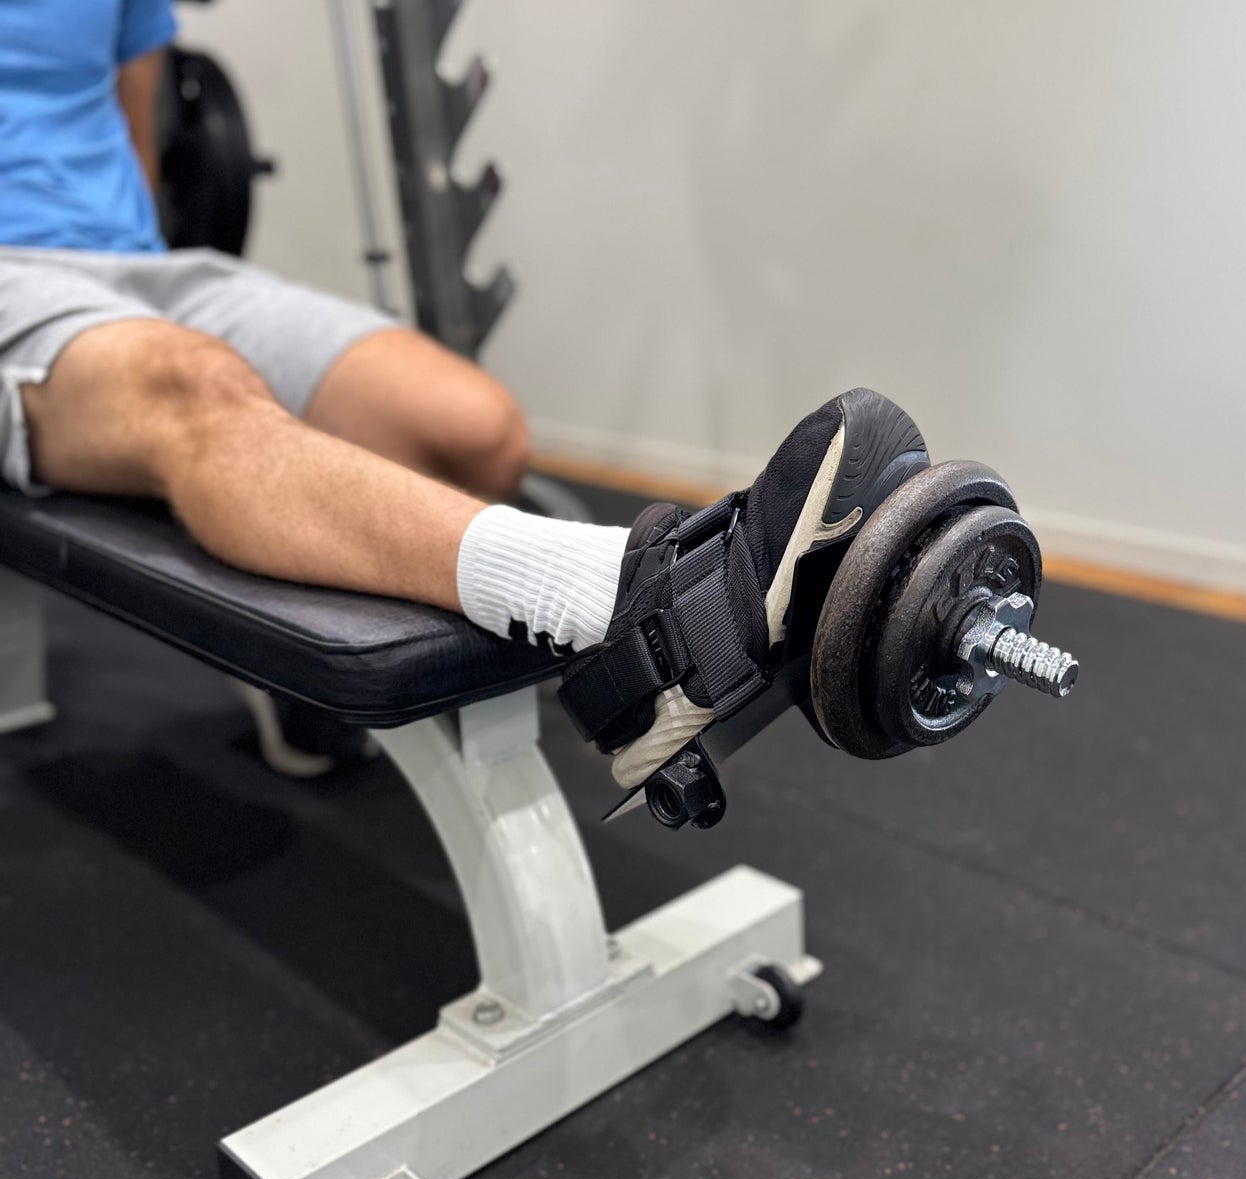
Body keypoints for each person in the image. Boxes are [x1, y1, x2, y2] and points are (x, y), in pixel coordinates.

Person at [0, 0, 932, 787]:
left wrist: (147, 281)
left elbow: (141, 135)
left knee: (474, 429)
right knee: (190, 390)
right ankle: (643, 606)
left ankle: (311, 590)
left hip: (140, 264)